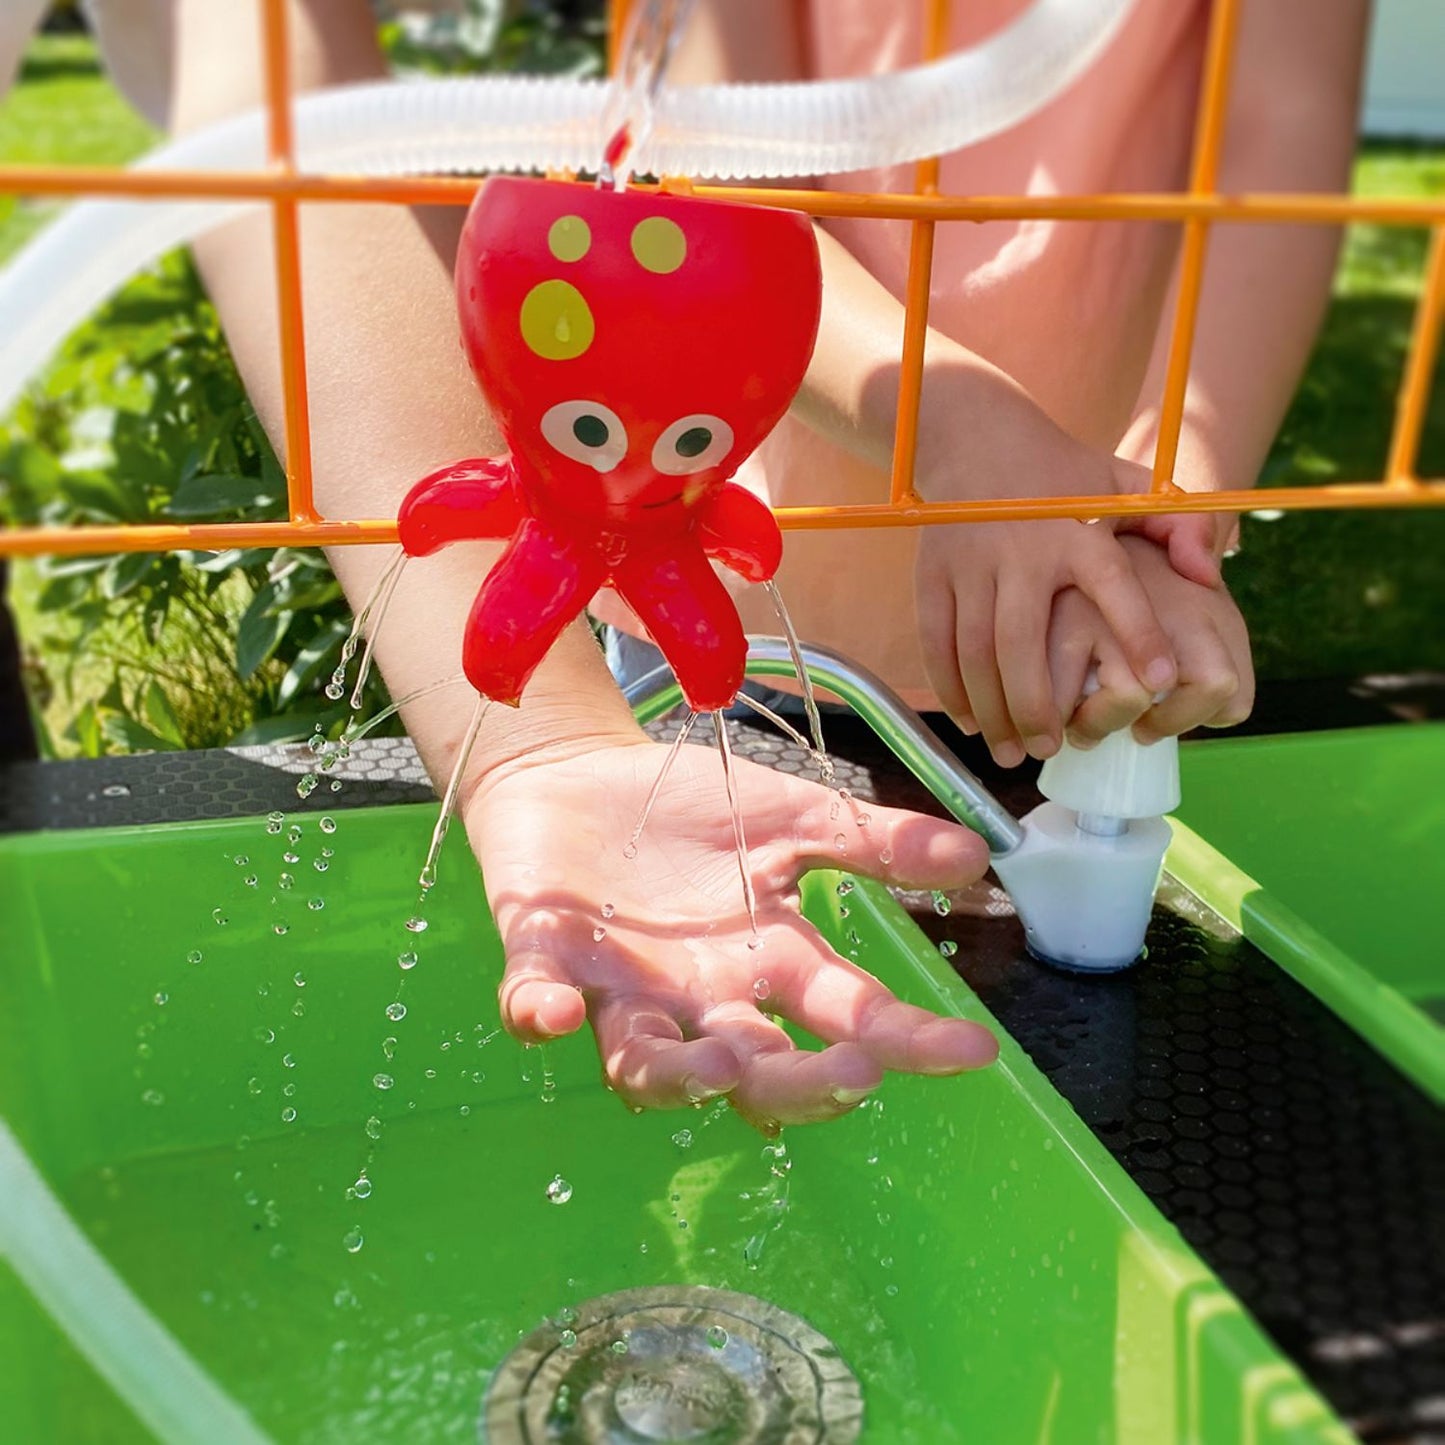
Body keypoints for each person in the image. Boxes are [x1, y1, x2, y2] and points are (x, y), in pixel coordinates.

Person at [2, 0, 1368, 1130]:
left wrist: (1166, 484)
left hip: (1057, 555)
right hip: (751, 585)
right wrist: (958, 436)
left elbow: (1275, 141)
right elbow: (709, 164)